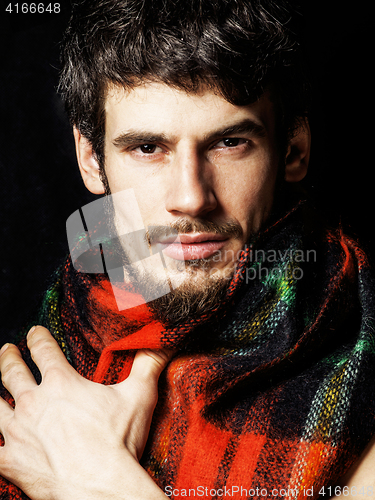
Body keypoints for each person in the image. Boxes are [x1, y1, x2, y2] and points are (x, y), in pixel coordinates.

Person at [1, 0, 375, 498]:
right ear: (91, 160)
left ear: (293, 150)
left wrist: (90, 479)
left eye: (230, 143)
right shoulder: (63, 330)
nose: (192, 198)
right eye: (148, 148)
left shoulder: (361, 363)